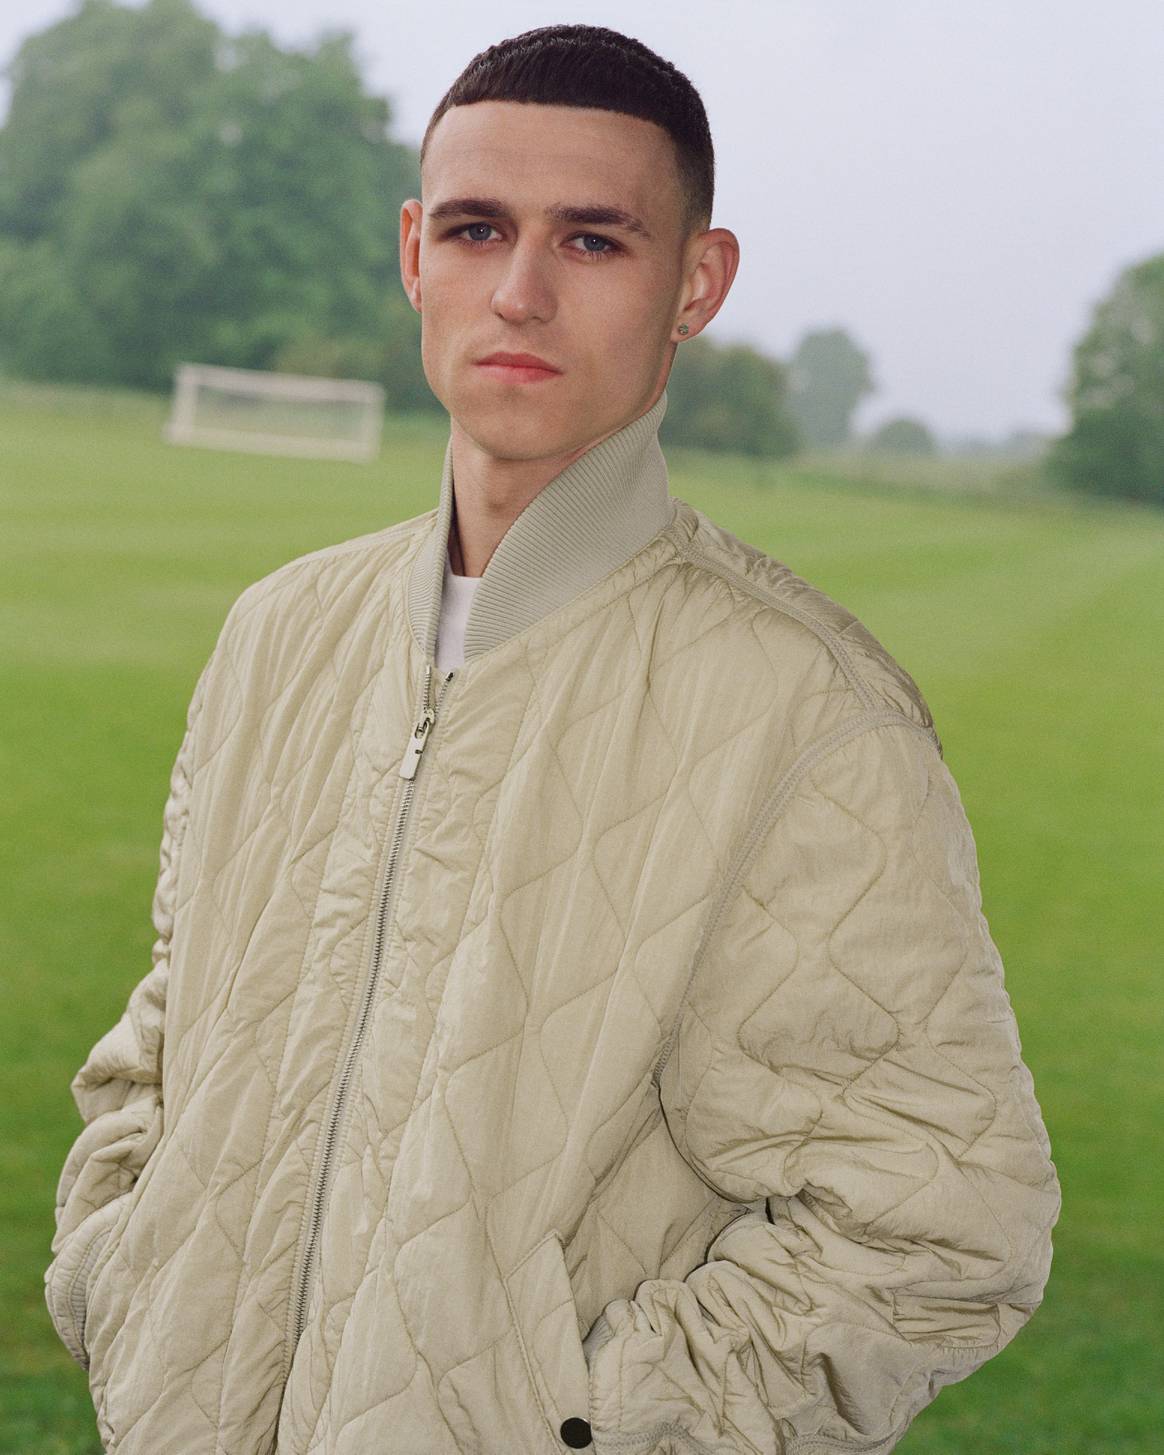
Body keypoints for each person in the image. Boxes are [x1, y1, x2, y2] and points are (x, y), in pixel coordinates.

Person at [44, 23, 1061, 1455]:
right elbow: (163, 1038)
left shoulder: (807, 711)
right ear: (414, 253)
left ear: (696, 282)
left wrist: (591, 1424)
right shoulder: (277, 634)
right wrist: (121, 1269)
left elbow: (945, 1218)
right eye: (475, 230)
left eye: (593, 242)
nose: (516, 292)